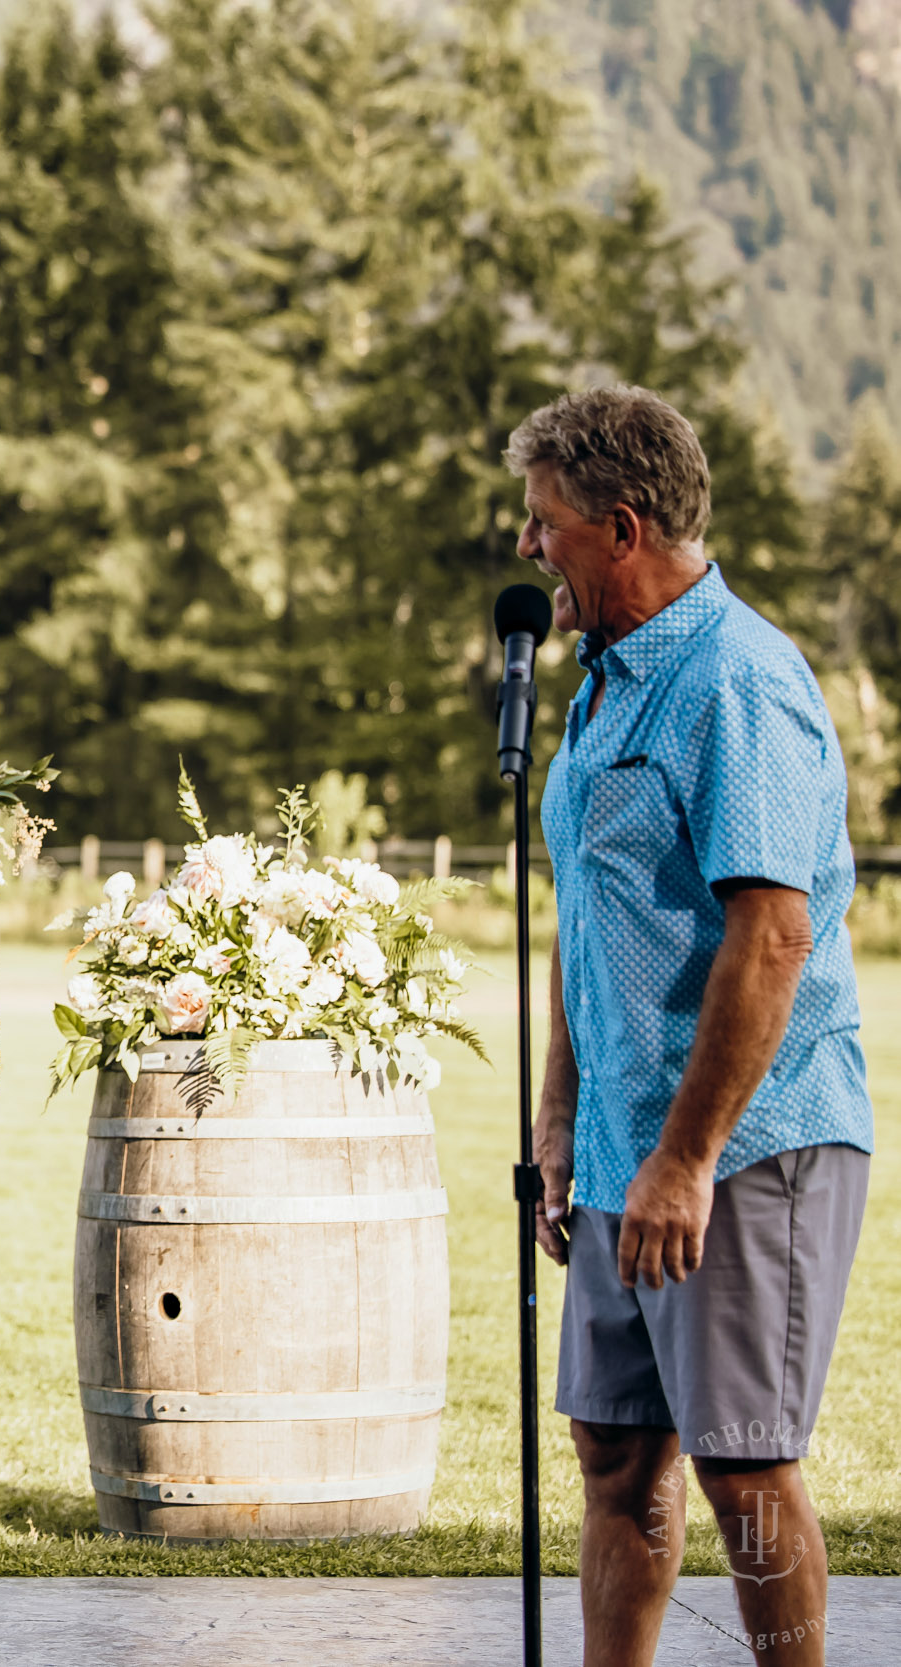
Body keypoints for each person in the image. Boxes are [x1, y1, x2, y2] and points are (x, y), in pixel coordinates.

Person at [512, 387, 872, 1667]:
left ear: (621, 526)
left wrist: (683, 1157)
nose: (525, 547)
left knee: (745, 1465)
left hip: (743, 1145)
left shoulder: (737, 683)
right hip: (619, 1144)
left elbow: (769, 935)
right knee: (615, 1451)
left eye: (542, 522)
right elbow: (588, 913)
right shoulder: (600, 689)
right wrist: (562, 1117)